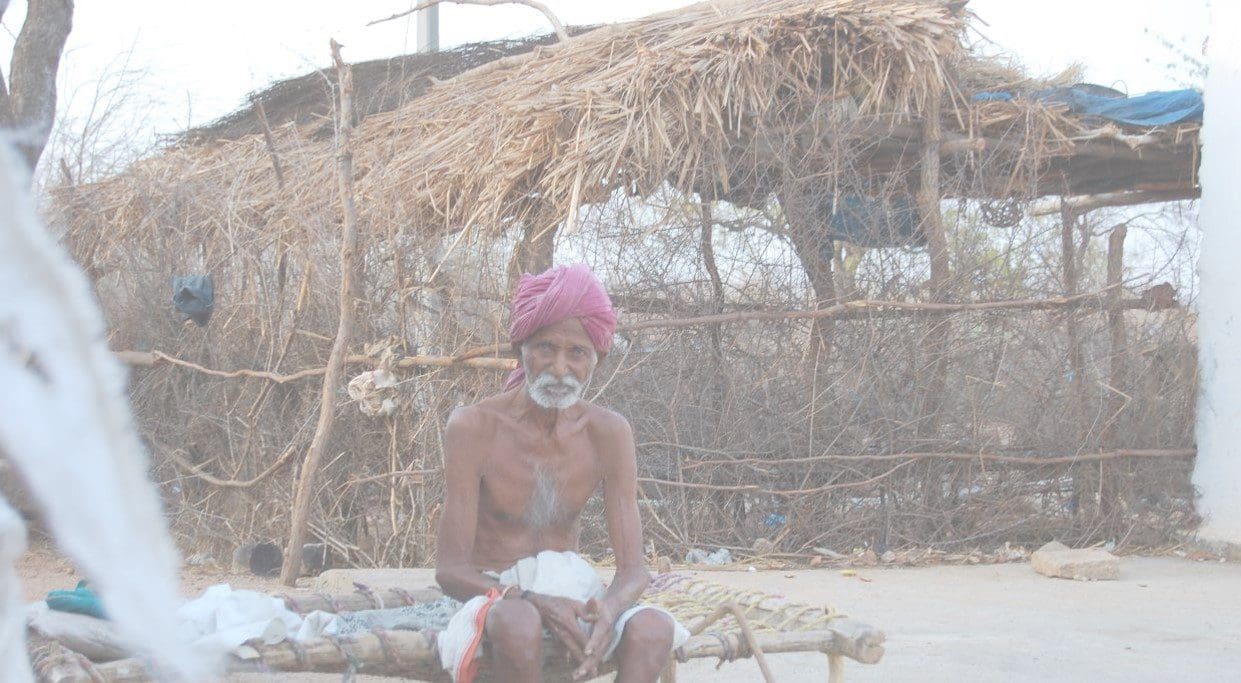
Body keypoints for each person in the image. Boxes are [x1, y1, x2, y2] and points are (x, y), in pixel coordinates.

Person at [434, 264, 686, 683]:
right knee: (519, 622)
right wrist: (529, 598)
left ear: (597, 360)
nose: (560, 368)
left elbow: (633, 571)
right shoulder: (474, 427)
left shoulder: (608, 433)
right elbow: (450, 570)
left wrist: (610, 607)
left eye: (577, 353)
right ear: (521, 350)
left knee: (654, 628)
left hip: (573, 590)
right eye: (545, 347)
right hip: (496, 594)